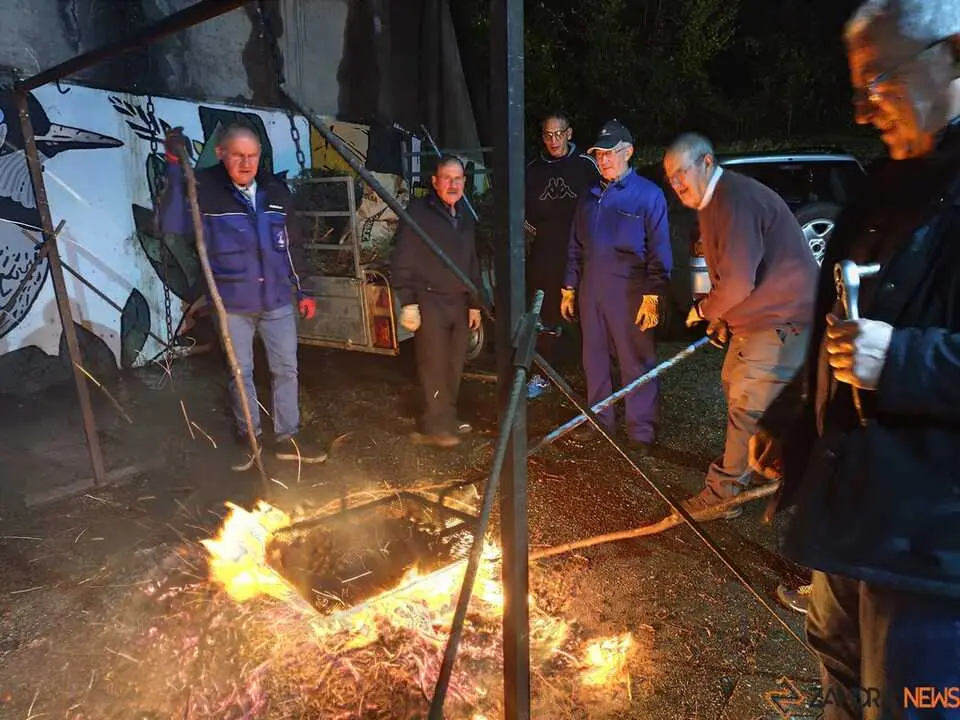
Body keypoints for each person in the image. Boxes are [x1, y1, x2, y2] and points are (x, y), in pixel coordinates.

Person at [750, 1, 960, 715]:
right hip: (851, 516)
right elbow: (840, 326)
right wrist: (794, 416)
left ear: (953, 55)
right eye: (858, 88)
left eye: (880, 82)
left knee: (909, 701)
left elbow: (884, 348)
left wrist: (901, 360)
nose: (866, 111)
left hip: (929, 548)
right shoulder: (886, 181)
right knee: (841, 682)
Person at [662, 132, 817, 518]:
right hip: (762, 318)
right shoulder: (715, 201)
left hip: (783, 321)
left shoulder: (733, 200)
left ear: (707, 163)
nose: (677, 182)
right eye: (670, 177)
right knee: (736, 381)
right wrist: (725, 319)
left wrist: (703, 311)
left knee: (748, 405)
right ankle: (755, 457)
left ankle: (725, 493)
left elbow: (734, 284)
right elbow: (736, 274)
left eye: (682, 171)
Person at [159, 123, 327, 470]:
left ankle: (286, 438)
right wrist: (176, 169)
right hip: (232, 304)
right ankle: (249, 437)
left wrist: (303, 289)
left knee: (286, 370)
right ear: (222, 155)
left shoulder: (275, 191)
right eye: (238, 155)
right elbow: (171, 222)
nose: (246, 163)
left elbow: (292, 246)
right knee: (241, 373)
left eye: (252, 156)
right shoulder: (203, 188)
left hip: (277, 299)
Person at [562, 119, 672, 453]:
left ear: (628, 152)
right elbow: (575, 245)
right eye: (599, 154)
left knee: (635, 360)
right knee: (593, 359)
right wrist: (569, 286)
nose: (604, 160)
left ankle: (641, 433)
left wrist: (653, 295)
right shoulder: (589, 197)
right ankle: (600, 422)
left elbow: (660, 250)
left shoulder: (648, 196)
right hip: (590, 289)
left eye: (610, 153)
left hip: (630, 290)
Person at [391, 155, 483, 448]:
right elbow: (402, 257)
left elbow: (471, 260)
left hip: (458, 301)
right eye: (447, 178)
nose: (453, 184)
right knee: (434, 364)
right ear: (435, 181)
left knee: (455, 363)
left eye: (458, 179)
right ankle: (435, 424)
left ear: (465, 182)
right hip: (429, 300)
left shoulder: (465, 214)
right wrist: (408, 301)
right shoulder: (419, 213)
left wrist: (474, 303)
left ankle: (448, 417)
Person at [524, 112, 599, 399]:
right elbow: (523, 212)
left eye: (559, 133)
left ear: (569, 133)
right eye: (547, 134)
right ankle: (542, 375)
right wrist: (540, 233)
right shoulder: (532, 169)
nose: (553, 140)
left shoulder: (587, 166)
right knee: (544, 316)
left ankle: (596, 378)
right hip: (546, 253)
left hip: (583, 253)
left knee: (588, 314)